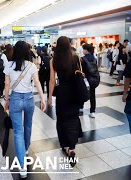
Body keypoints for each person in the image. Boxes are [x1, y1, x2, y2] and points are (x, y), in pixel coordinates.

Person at [4, 41, 46, 178]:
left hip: (15, 99)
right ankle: (26, 148)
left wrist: (6, 100)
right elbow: (37, 82)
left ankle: (22, 166)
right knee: (27, 126)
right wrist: (43, 98)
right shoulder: (32, 65)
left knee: (17, 131)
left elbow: (7, 85)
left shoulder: (9, 65)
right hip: (29, 99)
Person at [48, 36, 82, 167]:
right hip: (74, 93)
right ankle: (72, 148)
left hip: (62, 93)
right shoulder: (76, 57)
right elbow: (80, 74)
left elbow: (52, 80)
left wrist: (50, 97)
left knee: (62, 120)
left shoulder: (54, 60)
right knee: (73, 119)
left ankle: (65, 146)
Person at [81, 44, 98, 118]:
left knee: (81, 92)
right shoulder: (94, 58)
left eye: (83, 49)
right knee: (92, 95)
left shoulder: (82, 59)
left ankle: (81, 107)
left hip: (85, 79)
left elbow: (82, 70)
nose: (83, 51)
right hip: (93, 79)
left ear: (86, 50)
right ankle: (92, 111)